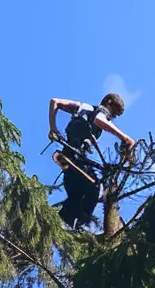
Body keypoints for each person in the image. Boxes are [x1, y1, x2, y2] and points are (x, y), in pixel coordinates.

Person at [48, 93, 135, 228]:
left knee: (76, 196)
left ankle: (58, 226)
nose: (112, 117)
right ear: (109, 102)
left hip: (72, 159)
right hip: (75, 157)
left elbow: (55, 102)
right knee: (95, 188)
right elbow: (99, 120)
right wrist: (125, 138)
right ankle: (77, 224)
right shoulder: (97, 111)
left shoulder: (82, 108)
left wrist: (53, 128)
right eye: (115, 113)